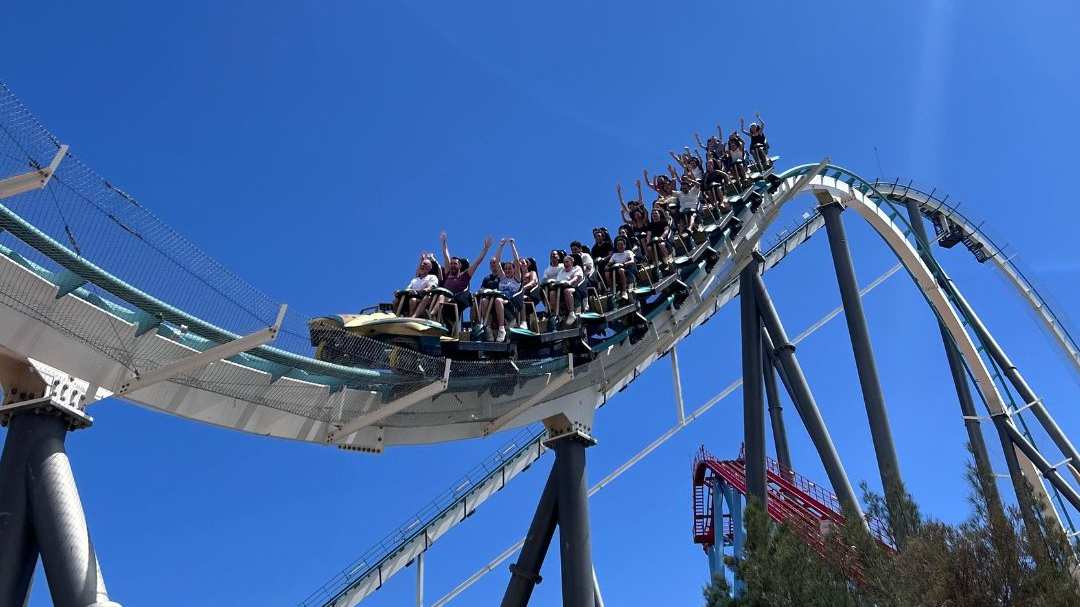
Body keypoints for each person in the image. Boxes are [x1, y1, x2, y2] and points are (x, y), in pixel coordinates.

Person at [423, 231, 493, 320]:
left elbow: (477, 262)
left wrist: (485, 249)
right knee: (429, 296)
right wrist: (444, 242)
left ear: (460, 266)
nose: (452, 265)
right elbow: (446, 255)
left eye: (455, 264)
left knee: (441, 296)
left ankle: (431, 315)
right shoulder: (448, 273)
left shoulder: (464, 276)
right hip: (440, 299)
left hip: (453, 300)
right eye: (451, 264)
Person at [606, 236, 637, 301]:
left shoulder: (628, 252)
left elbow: (632, 261)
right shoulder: (615, 255)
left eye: (621, 245)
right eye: (618, 245)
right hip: (616, 273)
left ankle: (624, 291)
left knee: (621, 270)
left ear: (625, 245)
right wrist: (608, 266)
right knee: (607, 272)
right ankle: (612, 290)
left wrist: (624, 263)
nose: (620, 246)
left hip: (628, 271)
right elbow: (608, 264)